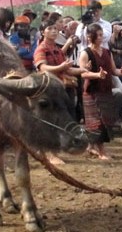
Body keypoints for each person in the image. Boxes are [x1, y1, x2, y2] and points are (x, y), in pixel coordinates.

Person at [34, 20, 88, 164]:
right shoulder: (41, 49)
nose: (54, 31)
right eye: (50, 28)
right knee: (50, 121)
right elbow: (43, 68)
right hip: (49, 90)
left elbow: (67, 69)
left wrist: (83, 69)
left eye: (55, 29)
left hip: (61, 89)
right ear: (43, 32)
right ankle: (49, 153)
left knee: (63, 119)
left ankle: (56, 150)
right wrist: (61, 67)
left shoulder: (57, 49)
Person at [79, 23, 122, 160]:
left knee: (105, 120)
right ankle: (102, 152)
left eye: (102, 35)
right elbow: (82, 73)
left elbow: (113, 71)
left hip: (105, 90)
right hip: (92, 92)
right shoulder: (85, 53)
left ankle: (90, 147)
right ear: (90, 37)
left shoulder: (107, 52)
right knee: (97, 122)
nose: (101, 38)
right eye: (99, 35)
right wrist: (96, 75)